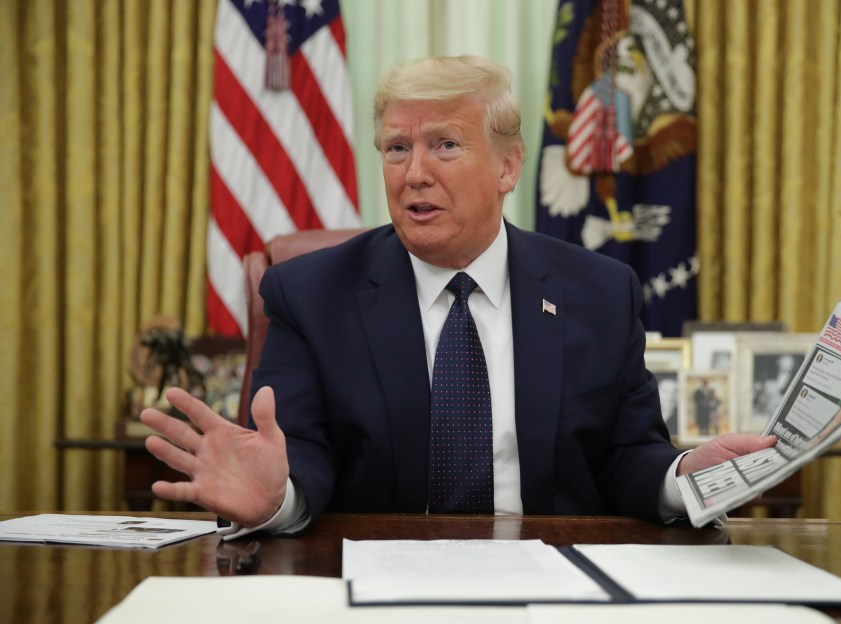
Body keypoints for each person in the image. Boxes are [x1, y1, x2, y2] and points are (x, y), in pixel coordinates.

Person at [140, 55, 774, 536]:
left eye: (444, 145)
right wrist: (277, 499)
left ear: (508, 166)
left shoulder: (600, 292)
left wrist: (685, 477)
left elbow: (626, 455)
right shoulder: (310, 293)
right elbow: (300, 451)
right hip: (375, 584)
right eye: (397, 148)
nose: (415, 173)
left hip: (554, 582)